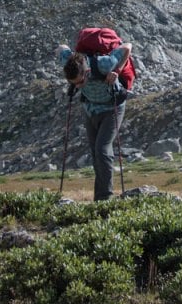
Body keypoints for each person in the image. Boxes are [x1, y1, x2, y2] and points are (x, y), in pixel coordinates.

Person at [57, 39, 133, 201]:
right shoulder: (68, 62)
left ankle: (105, 198)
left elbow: (127, 47)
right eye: (73, 84)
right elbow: (61, 47)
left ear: (87, 72)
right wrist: (68, 54)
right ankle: (99, 197)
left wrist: (117, 71)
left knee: (102, 149)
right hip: (90, 109)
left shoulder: (104, 64)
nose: (77, 86)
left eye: (80, 82)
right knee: (95, 152)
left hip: (112, 108)